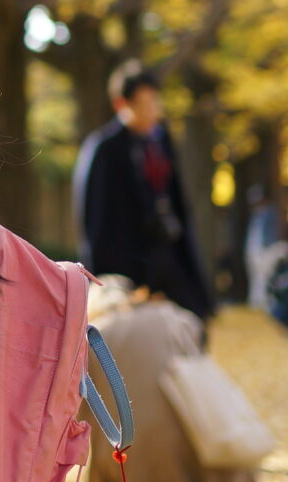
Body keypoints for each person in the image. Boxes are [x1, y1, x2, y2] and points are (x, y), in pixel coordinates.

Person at [80, 278, 271, 482]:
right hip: (200, 434)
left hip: (140, 453)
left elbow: (90, 414)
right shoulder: (175, 317)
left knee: (116, 435)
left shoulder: (98, 334)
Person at [73, 62, 216, 322]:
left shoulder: (161, 141)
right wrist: (104, 282)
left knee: (192, 319)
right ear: (121, 105)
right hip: (128, 261)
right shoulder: (105, 150)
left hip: (167, 251)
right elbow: (95, 220)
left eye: (154, 102)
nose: (151, 111)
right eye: (142, 104)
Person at [243, 186, 288, 312]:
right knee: (256, 276)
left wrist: (269, 248)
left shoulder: (268, 213)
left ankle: (263, 301)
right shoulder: (256, 215)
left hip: (264, 249)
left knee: (264, 276)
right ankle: (256, 301)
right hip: (253, 250)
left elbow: (271, 232)